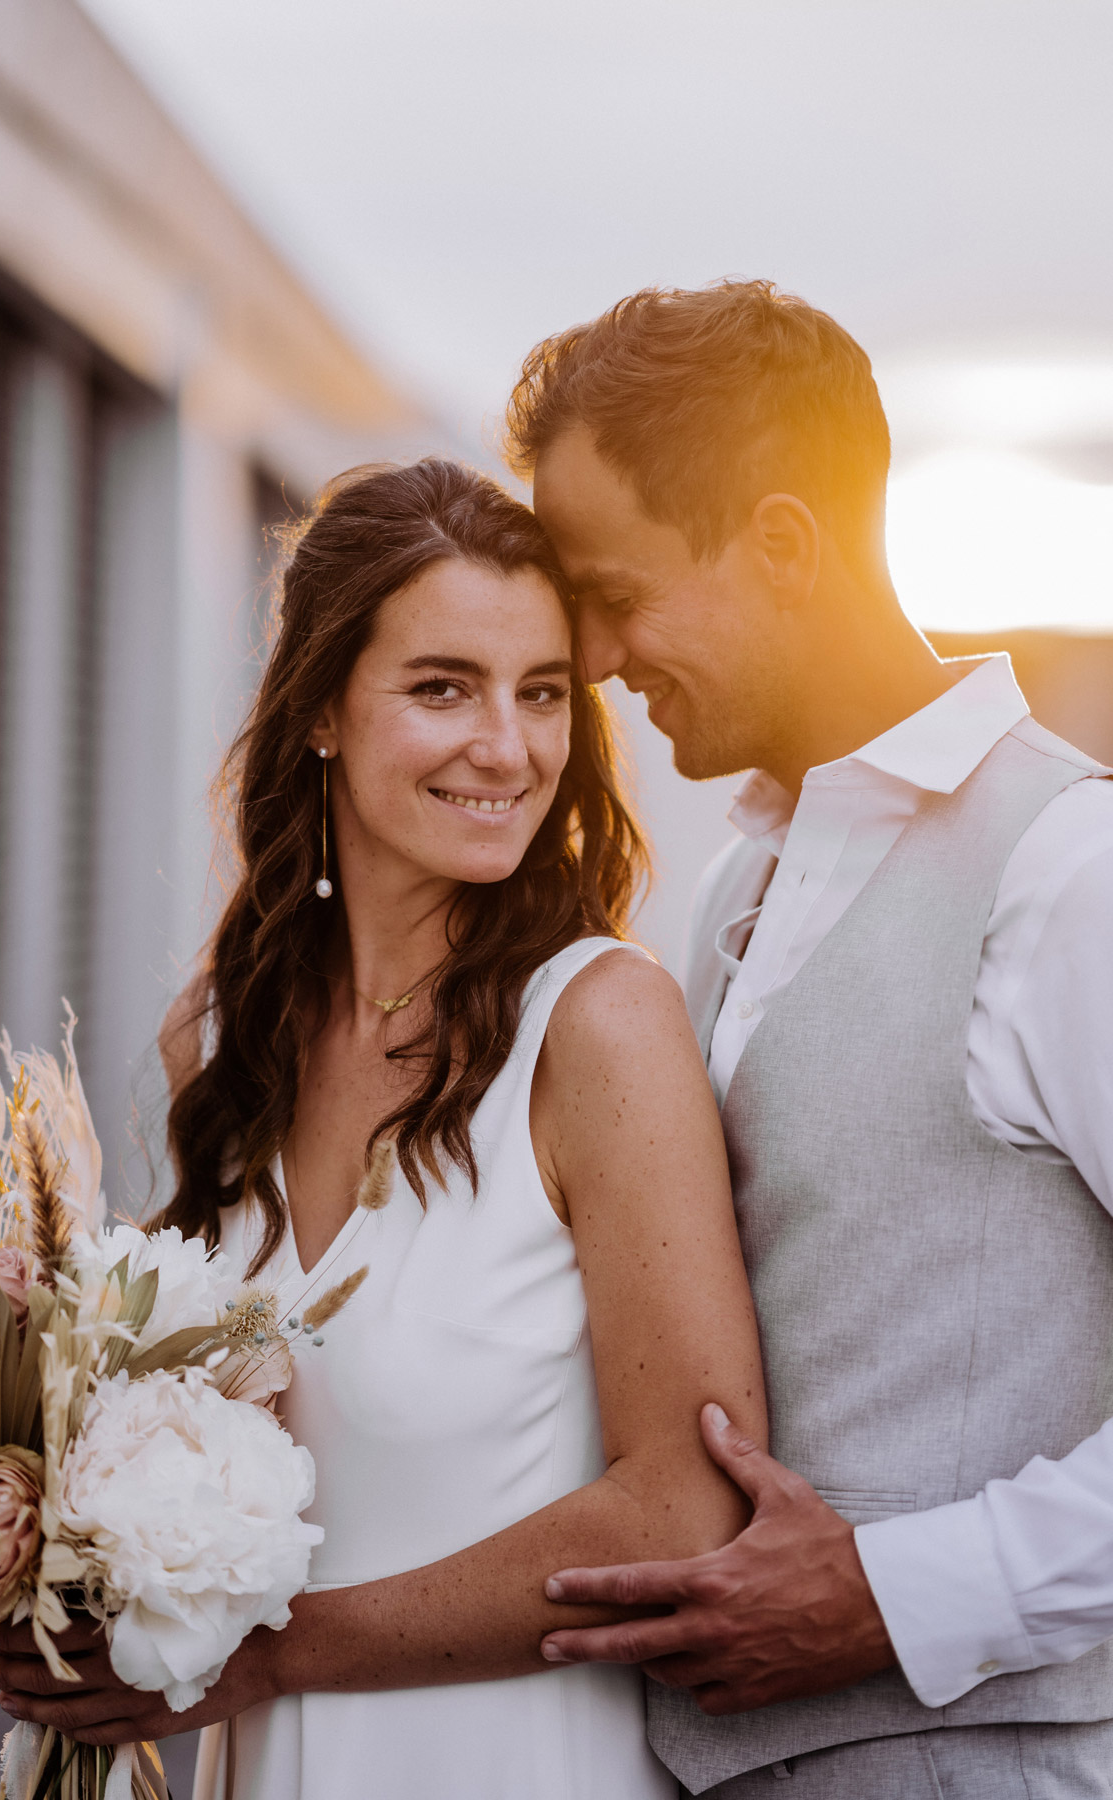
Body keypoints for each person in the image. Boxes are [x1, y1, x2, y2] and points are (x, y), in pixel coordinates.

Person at [0, 458, 766, 1800]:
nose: (508, 750)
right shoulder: (222, 1043)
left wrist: (284, 1656)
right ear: (325, 713)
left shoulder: (597, 1025)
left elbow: (688, 1508)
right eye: (442, 687)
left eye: (541, 695)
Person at [509, 279, 1113, 1798]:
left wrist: (907, 1593)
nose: (589, 657)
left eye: (614, 591)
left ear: (780, 543)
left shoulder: (1072, 867)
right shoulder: (729, 885)